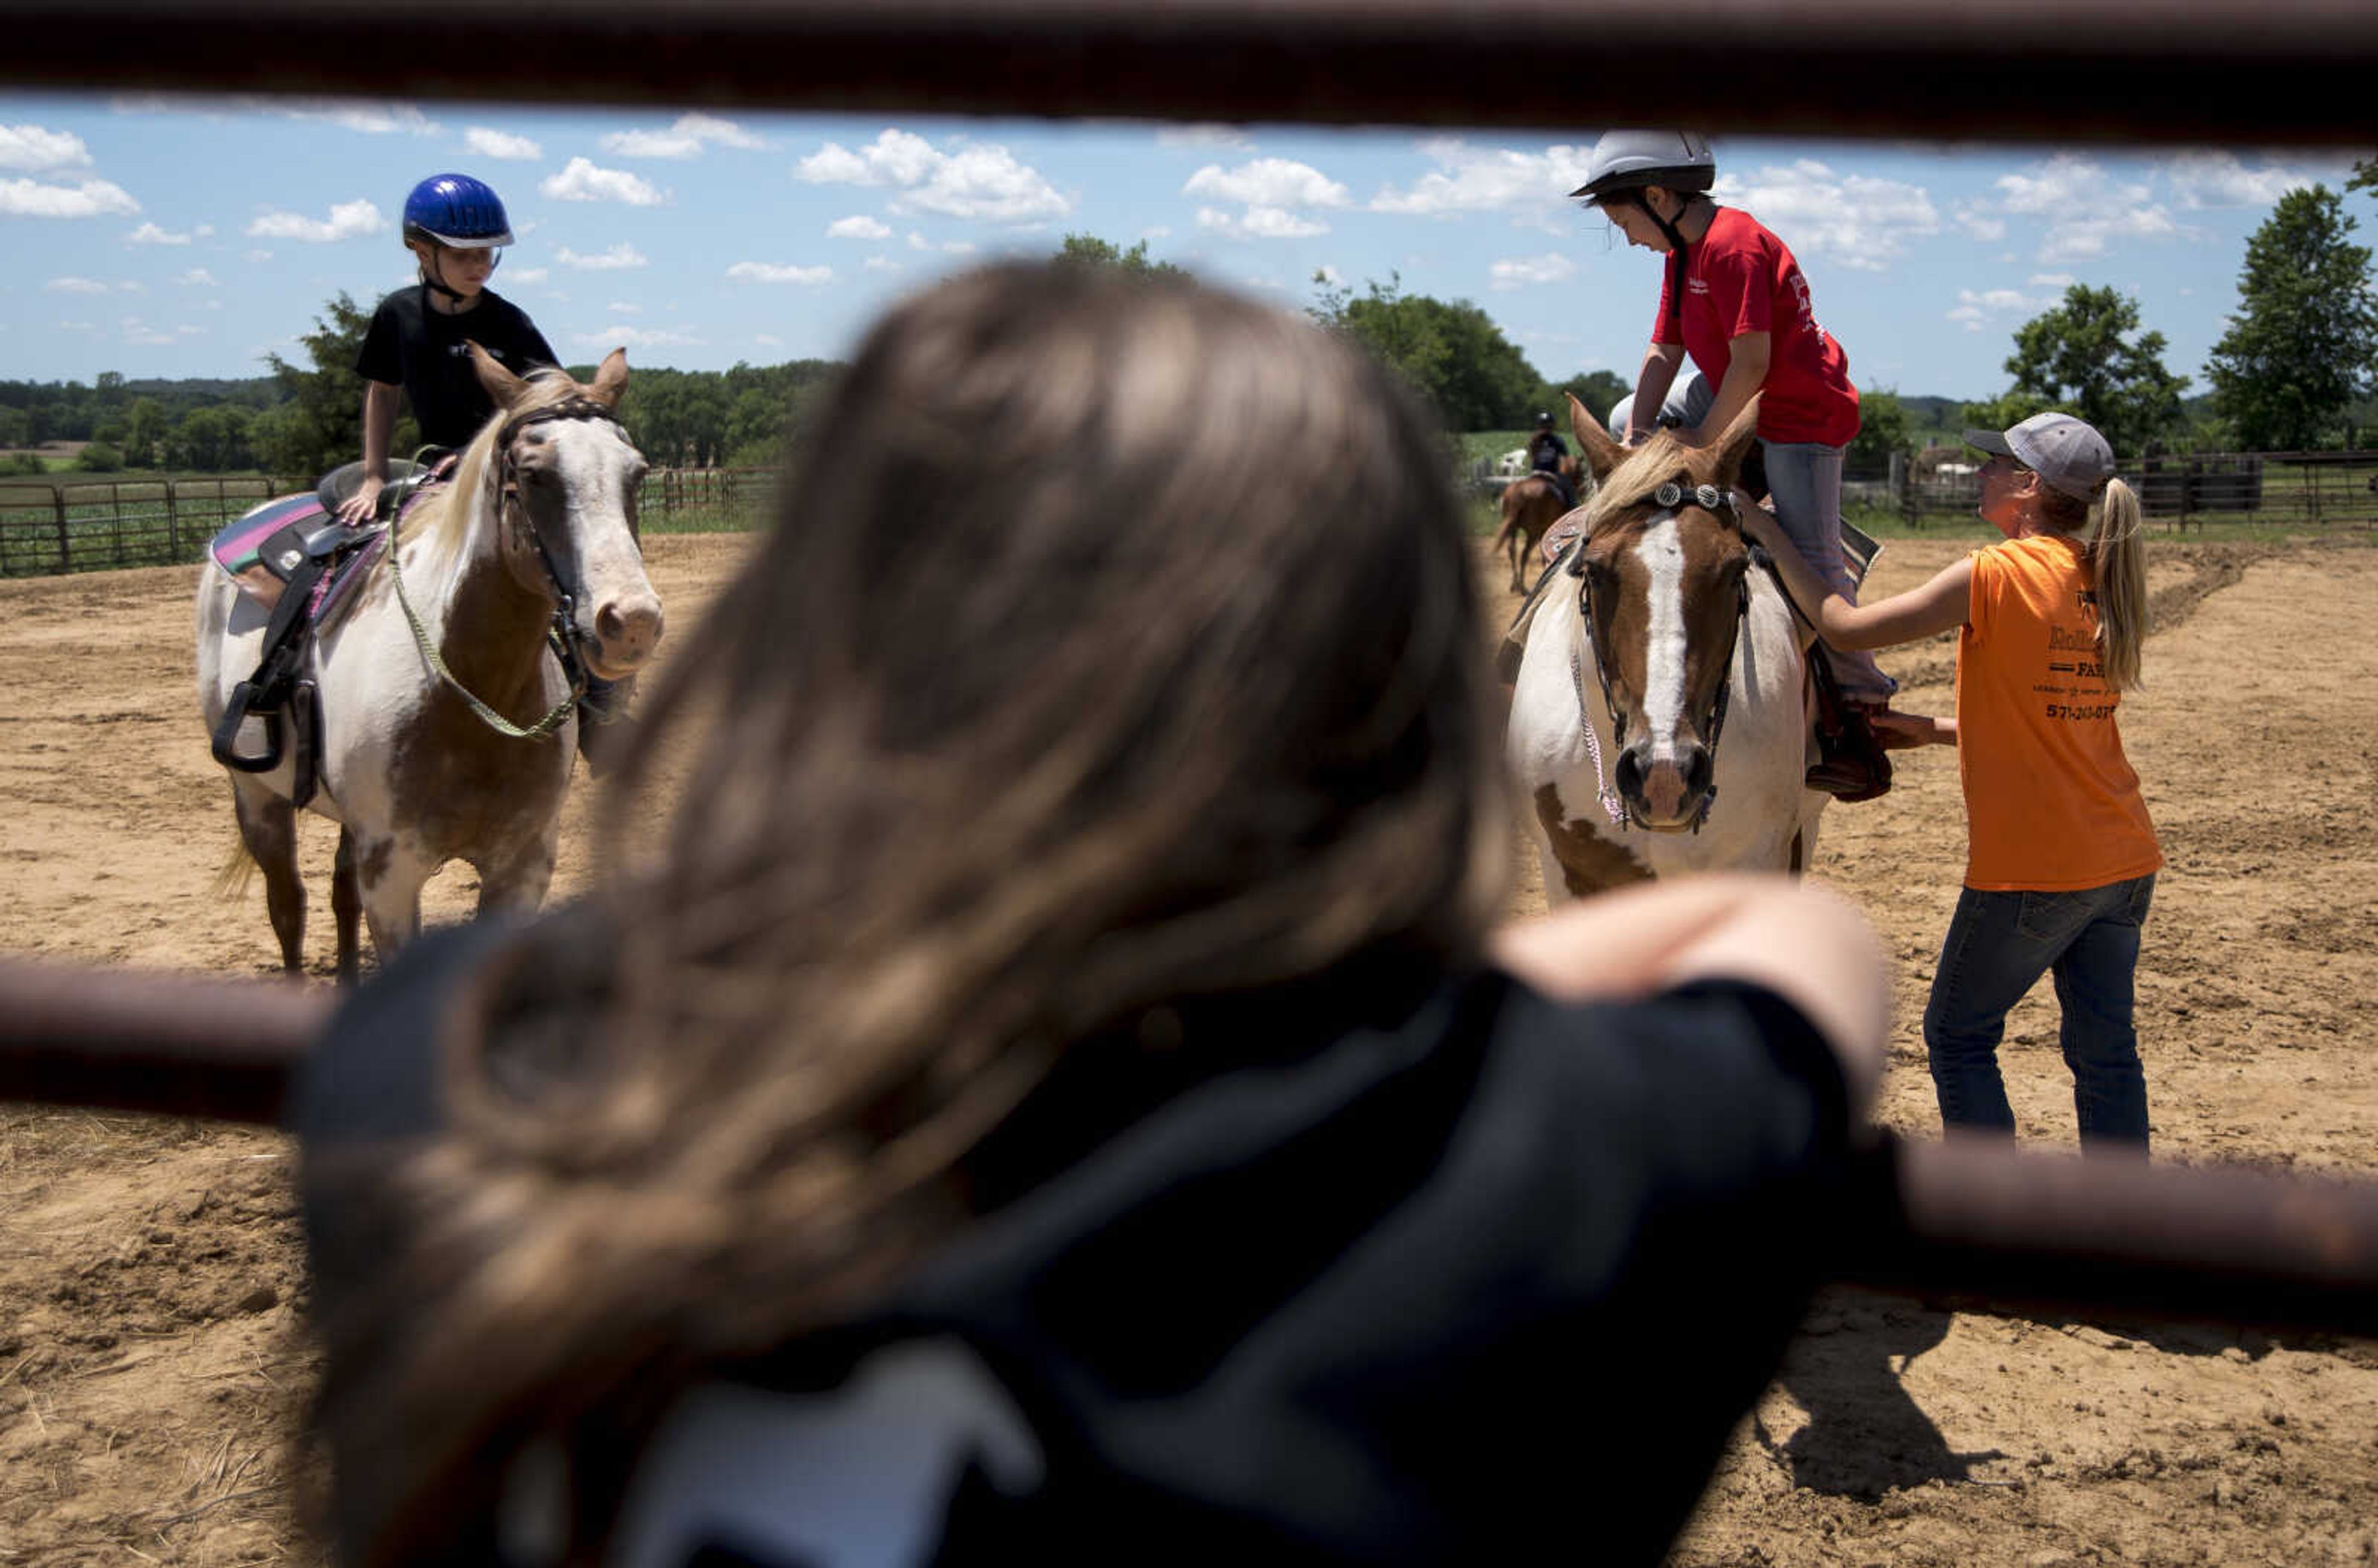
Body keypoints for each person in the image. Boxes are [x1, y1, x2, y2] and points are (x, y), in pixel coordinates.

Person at [295, 262, 1891, 1567]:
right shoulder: (1538, 1177)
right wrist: (1412, 1007)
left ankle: (268, 711)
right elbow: (1804, 944)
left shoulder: (459, 1057)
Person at [1738, 411, 2158, 1154]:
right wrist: (1933, 730)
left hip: (2037, 865)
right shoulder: (2100, 578)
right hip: (2124, 859)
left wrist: (1766, 531)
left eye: (1997, 465)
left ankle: (1995, 1223)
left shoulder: (1993, 573)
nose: (1982, 473)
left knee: (1958, 1035)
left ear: (2028, 488)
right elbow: (2064, 722)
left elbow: (1842, 626)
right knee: (2106, 1054)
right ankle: (2124, 1231)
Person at [1570, 129, 1894, 797]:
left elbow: (1754, 365)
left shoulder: (1733, 246)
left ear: (1658, 197)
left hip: (1800, 415)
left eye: (1623, 220)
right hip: (1733, 388)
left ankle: (1860, 707)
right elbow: (1664, 353)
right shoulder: (1683, 250)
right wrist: (1634, 442)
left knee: (1815, 559)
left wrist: (1706, 455)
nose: (1628, 237)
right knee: (1628, 408)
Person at [341, 172, 632, 764]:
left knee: (556, 576)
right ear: (422, 252)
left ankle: (600, 705)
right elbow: (383, 393)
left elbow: (549, 402)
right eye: (465, 254)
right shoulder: (397, 316)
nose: (481, 266)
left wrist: (493, 454)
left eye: (487, 254)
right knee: (363, 552)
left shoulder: (509, 323)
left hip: (502, 475)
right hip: (434, 472)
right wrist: (373, 475)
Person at [1523, 409, 1576, 507]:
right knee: (1569, 489)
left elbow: (1532, 457)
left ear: (1538, 426)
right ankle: (1572, 509)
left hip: (1535, 473)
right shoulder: (1558, 441)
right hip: (1552, 474)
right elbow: (1566, 459)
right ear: (1552, 425)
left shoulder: (1533, 440)